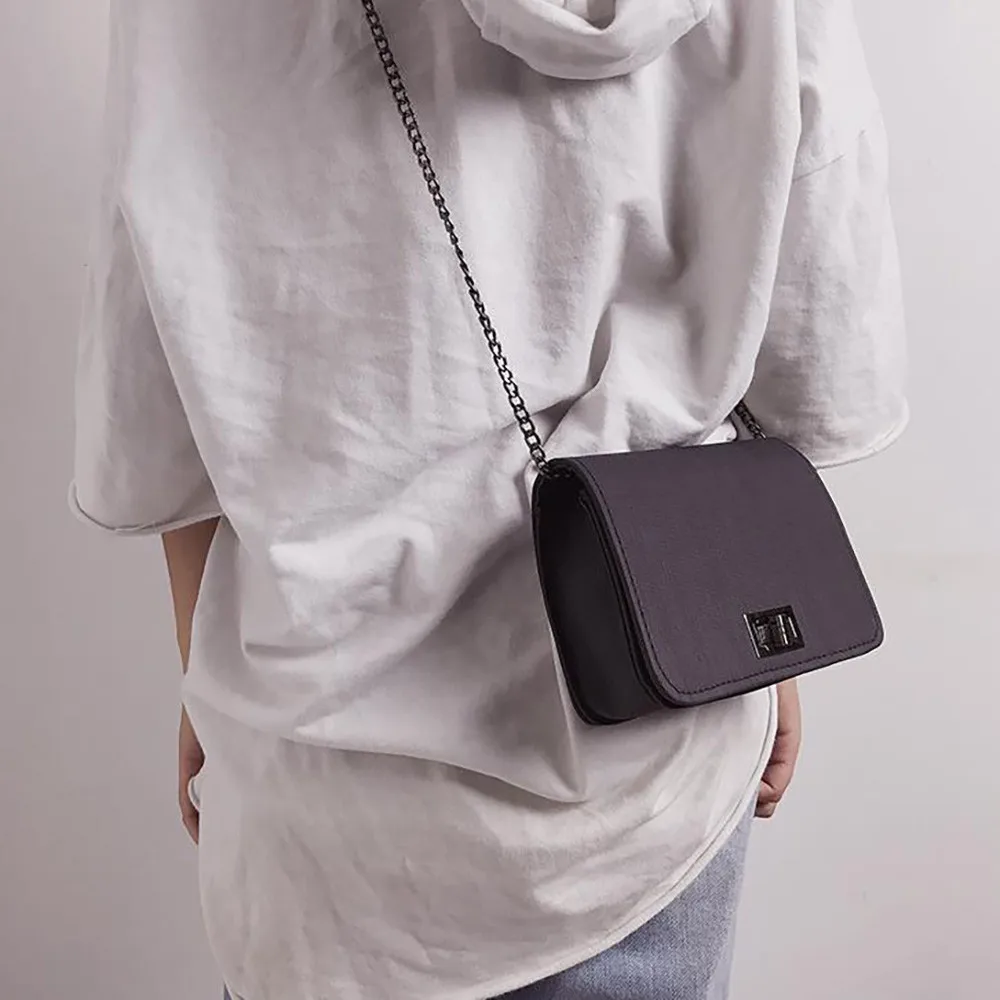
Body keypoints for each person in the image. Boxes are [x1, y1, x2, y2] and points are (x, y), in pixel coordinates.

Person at [71, 0, 907, 997]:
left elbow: (152, 336)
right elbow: (821, 310)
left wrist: (200, 655)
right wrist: (739, 626)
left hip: (315, 795)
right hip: (651, 758)